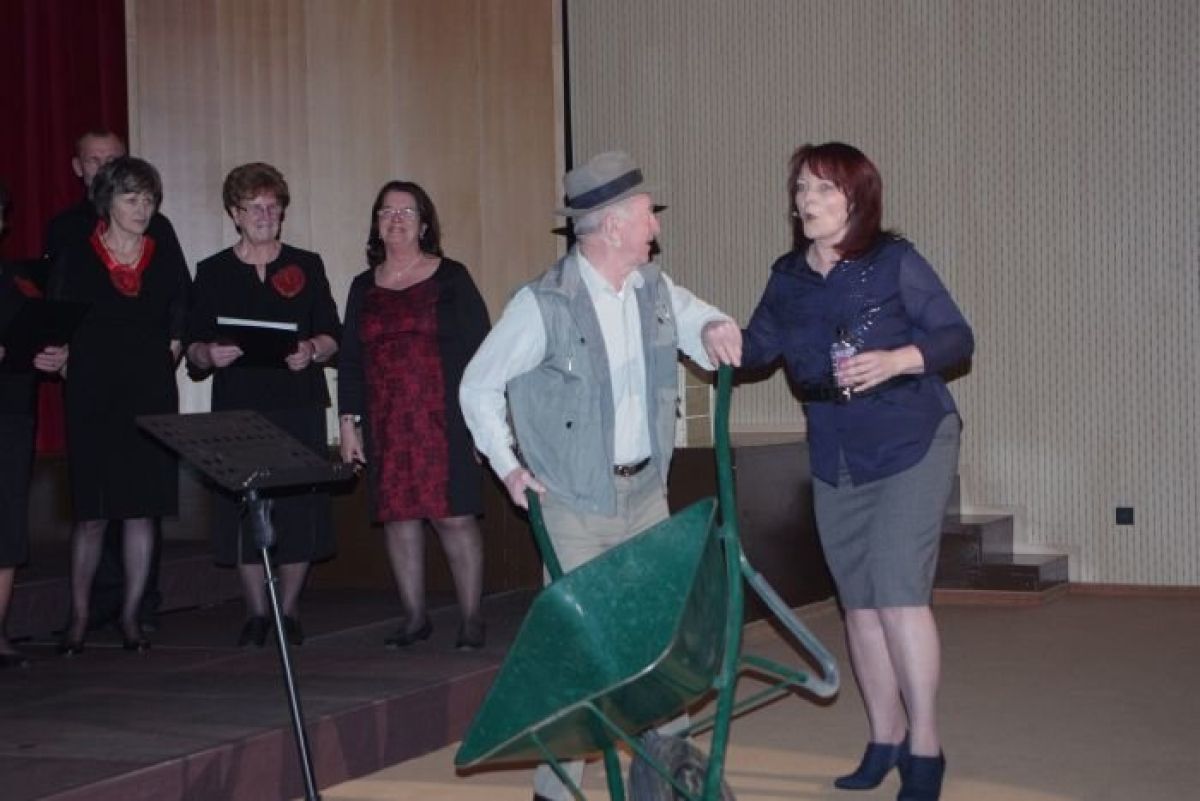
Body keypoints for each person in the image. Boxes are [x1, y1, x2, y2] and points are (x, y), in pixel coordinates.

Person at [459, 150, 742, 801]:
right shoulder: (543, 304)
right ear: (612, 226)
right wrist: (509, 468)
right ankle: (555, 791)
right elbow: (477, 386)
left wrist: (716, 326)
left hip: (646, 496)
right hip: (575, 505)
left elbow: (697, 320)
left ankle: (669, 777)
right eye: (646, 214)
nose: (655, 226)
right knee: (582, 655)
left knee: (658, 641)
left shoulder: (652, 289)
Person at [741, 142, 974, 801]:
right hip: (835, 447)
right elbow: (757, 348)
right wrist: (712, 335)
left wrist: (898, 358)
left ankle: (924, 746)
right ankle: (884, 736)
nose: (806, 200)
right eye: (801, 188)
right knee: (861, 606)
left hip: (910, 437)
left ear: (856, 199)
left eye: (823, 189)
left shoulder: (893, 261)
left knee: (898, 595)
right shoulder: (788, 277)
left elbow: (956, 337)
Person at [186, 163, 341, 648]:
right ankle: (256, 612)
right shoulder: (212, 271)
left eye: (273, 206)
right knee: (244, 507)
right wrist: (208, 353)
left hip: (297, 402)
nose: (264, 215)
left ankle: (287, 610)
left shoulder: (307, 264)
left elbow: (333, 335)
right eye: (254, 206)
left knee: (298, 508)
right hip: (238, 406)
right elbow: (193, 348)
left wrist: (311, 349)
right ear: (234, 213)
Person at [48, 157, 192, 655]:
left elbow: (181, 306)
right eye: (132, 199)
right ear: (107, 201)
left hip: (149, 390)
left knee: (140, 510)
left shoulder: (162, 251)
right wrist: (62, 359)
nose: (142, 209)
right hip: (92, 391)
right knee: (92, 513)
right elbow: (56, 314)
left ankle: (132, 617)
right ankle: (79, 617)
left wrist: (172, 347)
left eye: (149, 199)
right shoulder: (77, 252)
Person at [338, 181, 491, 650]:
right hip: (386, 421)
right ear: (376, 224)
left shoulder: (452, 277)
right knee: (399, 519)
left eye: (407, 212)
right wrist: (348, 423)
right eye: (387, 212)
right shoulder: (362, 286)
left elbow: (483, 352)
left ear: (425, 225)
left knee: (454, 517)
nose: (396, 219)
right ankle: (414, 618)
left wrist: (483, 424)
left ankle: (471, 618)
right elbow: (350, 361)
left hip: (446, 419)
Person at [0, 182, 70, 668]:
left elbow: (31, 336)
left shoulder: (16, 279)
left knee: (6, 523)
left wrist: (51, 355)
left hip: (12, 411)